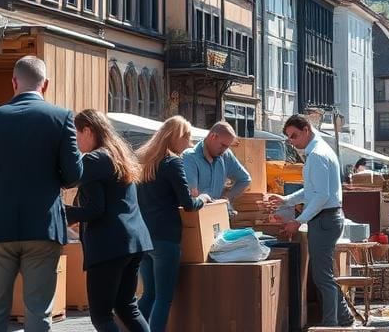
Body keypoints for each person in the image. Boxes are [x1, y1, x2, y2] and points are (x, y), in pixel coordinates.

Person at [0, 56, 82, 332]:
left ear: (13, 82)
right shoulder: (61, 117)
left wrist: (1, 191)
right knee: (39, 308)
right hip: (42, 226)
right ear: (45, 85)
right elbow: (74, 175)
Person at [67, 110, 153, 332]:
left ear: (87, 130)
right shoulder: (117, 155)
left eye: (75, 135)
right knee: (127, 307)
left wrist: (61, 212)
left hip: (109, 246)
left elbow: (94, 210)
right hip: (134, 241)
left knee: (101, 316)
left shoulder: (93, 160)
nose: (74, 142)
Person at [266, 115, 353, 328]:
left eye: (294, 136)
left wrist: (299, 220)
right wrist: (287, 200)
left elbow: (321, 195)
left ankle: (331, 324)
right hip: (326, 218)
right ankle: (342, 317)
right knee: (324, 274)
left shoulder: (316, 155)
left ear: (306, 130)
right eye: (289, 138)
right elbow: (313, 191)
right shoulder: (319, 151)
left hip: (324, 219)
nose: (293, 142)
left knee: (322, 277)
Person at [136, 117, 206, 332]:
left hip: (143, 237)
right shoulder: (172, 162)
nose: (189, 144)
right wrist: (202, 198)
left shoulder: (143, 160)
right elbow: (187, 204)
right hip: (165, 237)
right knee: (164, 298)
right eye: (188, 138)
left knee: (149, 294)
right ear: (179, 137)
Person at [182, 120, 251, 211]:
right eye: (222, 145)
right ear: (212, 136)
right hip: (196, 215)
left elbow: (245, 179)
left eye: (227, 147)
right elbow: (191, 195)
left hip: (217, 215)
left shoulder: (226, 155)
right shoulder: (190, 157)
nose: (224, 150)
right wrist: (203, 200)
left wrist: (226, 198)